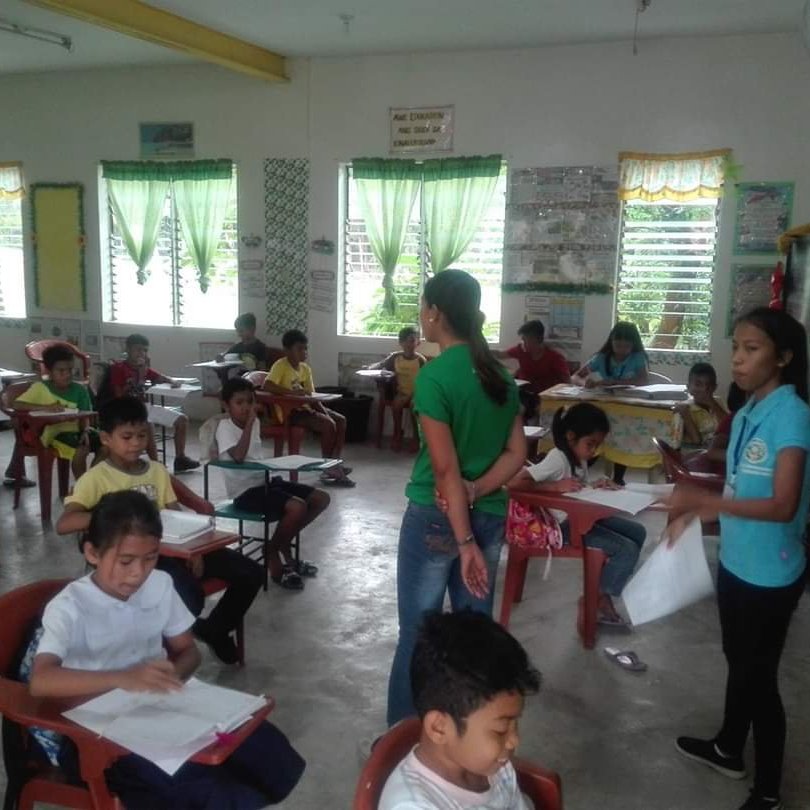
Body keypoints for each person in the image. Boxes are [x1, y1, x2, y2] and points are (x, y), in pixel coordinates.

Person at [30, 490, 305, 809]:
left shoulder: (159, 584)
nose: (138, 572)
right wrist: (124, 678)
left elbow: (189, 651)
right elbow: (41, 681)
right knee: (213, 792)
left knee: (271, 757)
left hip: (157, 711)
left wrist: (171, 676)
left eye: (150, 558)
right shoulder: (69, 606)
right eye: (125, 561)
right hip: (94, 734)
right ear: (92, 552)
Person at [666, 307, 810, 810]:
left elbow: (783, 504)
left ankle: (768, 792)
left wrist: (711, 506)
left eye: (752, 349)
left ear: (783, 357)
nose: (739, 360)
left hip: (770, 572)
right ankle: (729, 747)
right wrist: (694, 502)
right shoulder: (748, 411)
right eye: (736, 349)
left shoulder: (793, 416)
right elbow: (737, 485)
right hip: (737, 560)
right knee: (739, 661)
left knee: (759, 678)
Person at [387, 269, 526, 726]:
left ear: (435, 313)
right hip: (488, 515)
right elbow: (517, 454)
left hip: (437, 517)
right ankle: (468, 737)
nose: (421, 316)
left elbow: (445, 470)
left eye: (423, 307)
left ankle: (403, 737)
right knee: (472, 636)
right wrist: (478, 489)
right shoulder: (499, 376)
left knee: (417, 633)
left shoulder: (435, 377)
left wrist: (464, 542)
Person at [56, 397, 263, 665]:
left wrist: (194, 551)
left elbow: (175, 516)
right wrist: (117, 517)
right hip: (138, 559)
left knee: (250, 572)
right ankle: (161, 652)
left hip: (174, 548)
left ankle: (215, 629)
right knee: (189, 596)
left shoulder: (156, 471)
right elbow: (65, 524)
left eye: (142, 435)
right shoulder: (96, 478)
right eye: (127, 437)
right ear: (106, 439)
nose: (136, 443)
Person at [380, 611, 541, 810]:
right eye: (501, 730)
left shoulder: (495, 766)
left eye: (515, 723)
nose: (514, 740)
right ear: (439, 728)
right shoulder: (412, 805)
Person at [510, 402, 646, 627]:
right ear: (571, 436)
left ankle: (601, 593)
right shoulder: (557, 458)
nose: (593, 451)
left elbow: (575, 488)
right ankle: (595, 599)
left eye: (597, 446)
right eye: (590, 444)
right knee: (626, 549)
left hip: (580, 518)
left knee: (637, 532)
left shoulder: (578, 458)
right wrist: (553, 487)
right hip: (561, 527)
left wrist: (595, 485)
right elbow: (515, 483)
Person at [214, 378, 331, 590]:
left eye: (250, 401)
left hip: (266, 482)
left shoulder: (255, 423)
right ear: (226, 405)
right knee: (297, 507)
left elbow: (255, 456)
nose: (246, 407)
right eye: (239, 402)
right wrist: (249, 425)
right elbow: (239, 456)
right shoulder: (225, 427)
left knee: (321, 499)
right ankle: (273, 552)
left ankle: (280, 543)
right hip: (245, 492)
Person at [264, 328, 354, 486]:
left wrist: (324, 411)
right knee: (328, 424)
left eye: (305, 348)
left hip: (306, 408)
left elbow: (311, 396)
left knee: (340, 420)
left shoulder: (305, 369)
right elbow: (267, 385)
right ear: (287, 350)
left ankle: (334, 463)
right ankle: (327, 467)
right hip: (290, 412)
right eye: (299, 348)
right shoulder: (281, 365)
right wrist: (292, 393)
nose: (304, 352)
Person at [4, 344, 100, 482]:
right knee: (81, 451)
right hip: (54, 434)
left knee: (107, 445)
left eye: (70, 370)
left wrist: (86, 430)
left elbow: (86, 415)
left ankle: (94, 483)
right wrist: (45, 408)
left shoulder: (80, 390)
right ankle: (83, 487)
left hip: (80, 431)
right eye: (61, 371)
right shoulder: (40, 388)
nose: (67, 374)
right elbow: (17, 405)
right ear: (49, 371)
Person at [106, 333, 199, 473]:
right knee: (147, 423)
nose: (141, 353)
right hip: (127, 409)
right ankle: (156, 465)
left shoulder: (143, 368)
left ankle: (180, 458)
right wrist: (139, 376)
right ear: (128, 349)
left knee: (182, 420)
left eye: (145, 350)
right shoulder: (119, 368)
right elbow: (119, 396)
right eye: (138, 349)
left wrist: (172, 381)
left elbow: (160, 377)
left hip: (145, 407)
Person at [573, 321, 649, 485]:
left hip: (626, 410)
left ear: (633, 345)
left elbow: (643, 380)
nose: (621, 350)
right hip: (600, 408)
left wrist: (615, 381)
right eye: (618, 345)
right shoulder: (600, 358)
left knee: (623, 435)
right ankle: (581, 467)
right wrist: (584, 383)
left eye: (626, 346)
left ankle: (618, 477)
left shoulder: (637, 358)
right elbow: (575, 377)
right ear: (611, 342)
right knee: (594, 433)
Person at [493, 320, 571, 422]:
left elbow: (567, 382)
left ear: (535, 339)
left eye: (525, 340)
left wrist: (547, 402)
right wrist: (482, 350)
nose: (523, 343)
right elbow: (500, 355)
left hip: (545, 397)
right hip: (524, 395)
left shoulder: (554, 357)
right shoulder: (520, 350)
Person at [368, 325, 426, 451]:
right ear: (401, 342)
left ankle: (416, 438)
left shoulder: (420, 360)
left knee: (414, 406)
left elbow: (426, 379)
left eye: (413, 340)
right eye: (406, 341)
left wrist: (415, 394)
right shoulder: (395, 357)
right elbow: (381, 364)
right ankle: (397, 433)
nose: (409, 344)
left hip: (417, 392)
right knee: (396, 405)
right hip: (402, 392)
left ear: (418, 342)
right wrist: (370, 367)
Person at [677, 362, 728, 447]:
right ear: (689, 388)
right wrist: (686, 416)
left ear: (715, 387)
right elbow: (697, 441)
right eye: (698, 384)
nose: (704, 389)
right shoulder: (685, 409)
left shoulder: (718, 402)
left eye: (709, 385)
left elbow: (729, 428)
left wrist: (713, 404)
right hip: (697, 451)